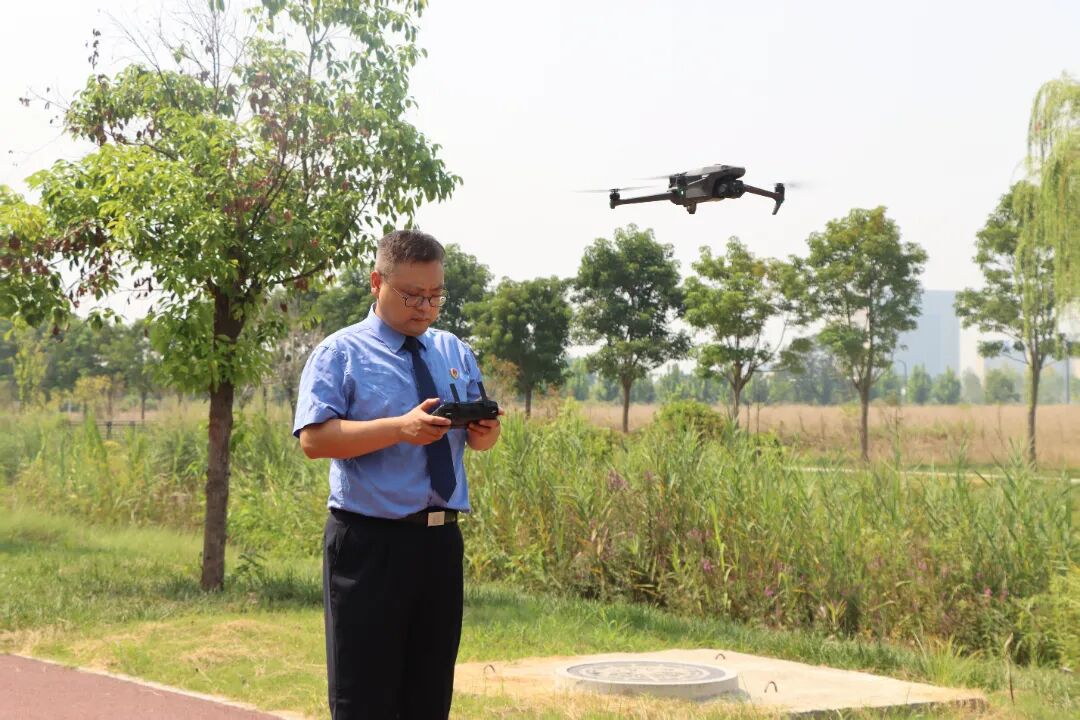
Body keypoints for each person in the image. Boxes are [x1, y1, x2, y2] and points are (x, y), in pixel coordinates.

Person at [292, 229, 503, 720]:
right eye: (411, 295)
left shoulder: (453, 351)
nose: (425, 307)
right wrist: (399, 428)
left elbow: (478, 443)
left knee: (429, 696)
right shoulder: (341, 353)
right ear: (376, 283)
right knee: (364, 698)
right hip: (370, 545)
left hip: (439, 543)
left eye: (435, 296)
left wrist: (485, 431)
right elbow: (314, 440)